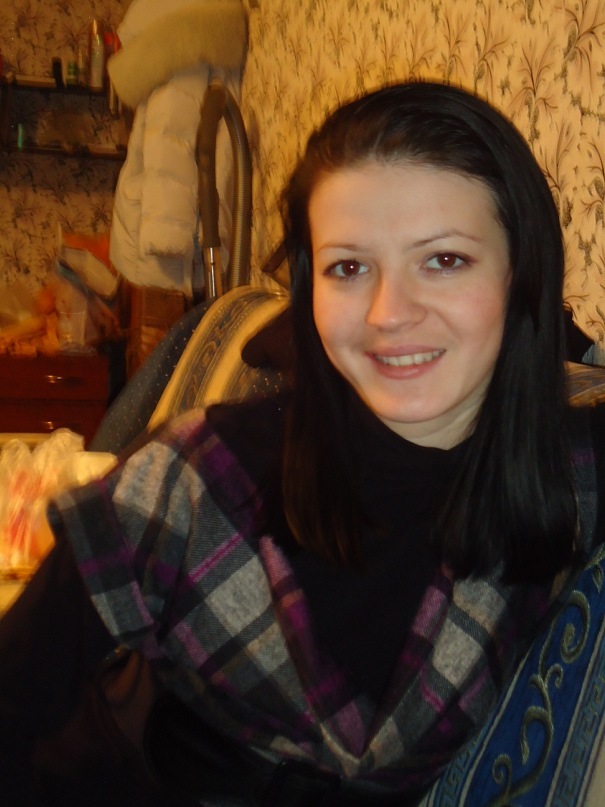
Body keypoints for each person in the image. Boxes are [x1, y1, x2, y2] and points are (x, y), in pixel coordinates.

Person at [0, 81, 602, 806]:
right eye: (347, 267)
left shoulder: (568, 474)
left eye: (443, 260)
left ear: (521, 272)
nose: (388, 313)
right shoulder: (193, 478)